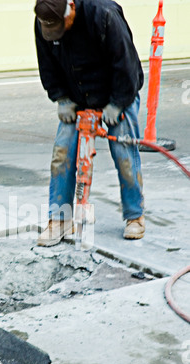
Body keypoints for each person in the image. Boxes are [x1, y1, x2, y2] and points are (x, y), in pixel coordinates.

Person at [34, 0, 145, 247]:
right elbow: (47, 64)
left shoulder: (104, 14)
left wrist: (117, 104)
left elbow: (125, 64)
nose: (56, 33)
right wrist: (60, 98)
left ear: (71, 7)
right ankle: (60, 220)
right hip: (77, 97)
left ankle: (134, 216)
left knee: (124, 151)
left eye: (61, 26)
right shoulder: (45, 18)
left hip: (117, 93)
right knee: (62, 154)